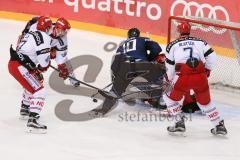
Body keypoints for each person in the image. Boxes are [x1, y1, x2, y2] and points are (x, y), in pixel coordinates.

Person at [164, 22, 227, 135]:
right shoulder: (200, 41)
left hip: (181, 77)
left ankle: (179, 122)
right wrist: (207, 69)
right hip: (200, 75)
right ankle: (219, 125)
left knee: (167, 95)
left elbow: (169, 67)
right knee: (205, 102)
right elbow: (212, 57)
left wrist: (169, 79)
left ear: (178, 31)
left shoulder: (172, 45)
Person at [8, 16, 52, 133]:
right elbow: (43, 63)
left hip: (15, 63)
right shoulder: (45, 37)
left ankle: (25, 109)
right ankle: (32, 121)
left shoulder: (31, 32)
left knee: (35, 83)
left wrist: (35, 68)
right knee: (40, 90)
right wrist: (45, 64)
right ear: (47, 28)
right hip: (20, 66)